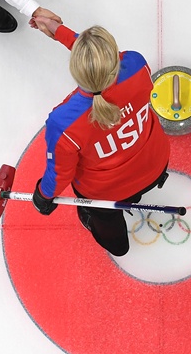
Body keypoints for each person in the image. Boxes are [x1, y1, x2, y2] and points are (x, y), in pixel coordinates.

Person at [30, 17, 170, 256]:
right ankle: (135, 194)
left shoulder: (64, 122)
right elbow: (110, 64)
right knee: (133, 184)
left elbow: (60, 173)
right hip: (155, 162)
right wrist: (60, 32)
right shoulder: (137, 65)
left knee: (105, 221)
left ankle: (117, 245)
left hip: (107, 193)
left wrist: (43, 196)